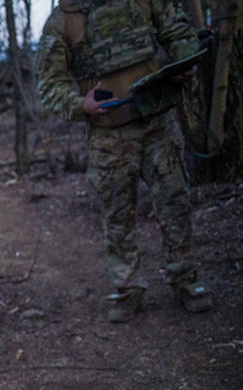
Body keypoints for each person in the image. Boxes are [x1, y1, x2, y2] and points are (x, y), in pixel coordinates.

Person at [36, 0, 212, 322]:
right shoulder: (63, 20)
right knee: (118, 213)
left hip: (156, 120)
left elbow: (176, 30)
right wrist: (80, 105)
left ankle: (185, 278)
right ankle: (127, 287)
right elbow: (48, 85)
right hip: (108, 134)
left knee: (175, 201)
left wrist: (186, 58)